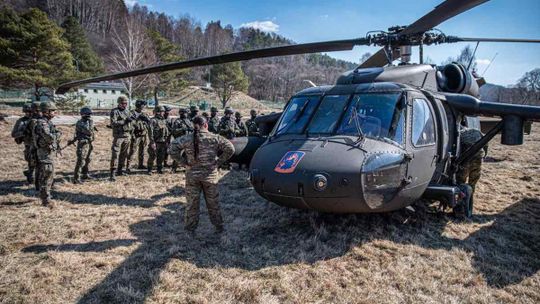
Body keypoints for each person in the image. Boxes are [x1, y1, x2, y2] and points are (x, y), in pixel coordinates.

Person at [169, 115, 235, 233]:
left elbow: (172, 148)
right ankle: (218, 227)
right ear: (206, 125)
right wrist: (218, 162)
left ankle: (190, 229)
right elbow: (230, 148)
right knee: (213, 203)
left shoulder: (186, 138)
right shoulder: (214, 138)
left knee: (192, 203)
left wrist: (184, 163)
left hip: (192, 176)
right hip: (210, 176)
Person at [33, 102, 61, 208]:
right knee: (47, 175)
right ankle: (46, 199)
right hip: (44, 153)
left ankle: (45, 196)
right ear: (46, 111)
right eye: (53, 111)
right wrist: (58, 134)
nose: (54, 113)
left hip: (47, 153)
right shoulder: (42, 123)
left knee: (47, 175)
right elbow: (49, 137)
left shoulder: (47, 122)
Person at [457, 125, 488, 195]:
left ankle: (463, 197)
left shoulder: (460, 133)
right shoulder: (477, 131)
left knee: (461, 180)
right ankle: (471, 195)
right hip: (478, 157)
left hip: (466, 158)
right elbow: (486, 142)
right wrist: (485, 154)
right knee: (474, 179)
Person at [109, 96, 133, 181]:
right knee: (115, 154)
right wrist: (124, 121)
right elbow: (113, 123)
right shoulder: (115, 111)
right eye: (123, 103)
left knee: (124, 154)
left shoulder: (127, 111)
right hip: (118, 136)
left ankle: (120, 170)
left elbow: (131, 122)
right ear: (119, 103)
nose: (125, 105)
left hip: (127, 135)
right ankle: (112, 173)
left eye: (126, 103)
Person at [73, 107, 97, 184]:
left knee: (88, 159)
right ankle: (76, 178)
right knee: (81, 161)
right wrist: (91, 123)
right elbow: (89, 131)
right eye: (87, 114)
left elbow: (93, 134)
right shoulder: (80, 123)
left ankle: (85, 174)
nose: (89, 116)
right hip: (82, 144)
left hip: (89, 143)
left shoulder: (90, 121)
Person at [11, 104, 34, 184]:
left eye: (30, 111)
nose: (28, 113)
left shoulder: (37, 120)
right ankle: (30, 175)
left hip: (38, 145)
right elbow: (14, 134)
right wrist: (23, 132)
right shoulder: (21, 121)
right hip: (28, 145)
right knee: (31, 162)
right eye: (26, 112)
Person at [127, 100, 150, 171]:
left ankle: (141, 164)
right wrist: (137, 119)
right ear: (139, 106)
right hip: (135, 135)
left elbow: (149, 123)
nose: (143, 107)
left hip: (143, 134)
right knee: (132, 151)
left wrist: (147, 120)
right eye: (142, 106)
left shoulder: (144, 114)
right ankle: (128, 166)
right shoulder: (131, 113)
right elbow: (130, 125)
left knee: (142, 150)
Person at [147, 106, 170, 174]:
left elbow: (166, 131)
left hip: (163, 141)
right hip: (155, 141)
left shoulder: (163, 120)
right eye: (161, 112)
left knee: (161, 156)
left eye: (163, 111)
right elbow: (150, 132)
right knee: (152, 155)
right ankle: (149, 169)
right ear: (157, 112)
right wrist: (152, 142)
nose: (163, 113)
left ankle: (159, 169)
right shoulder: (153, 120)